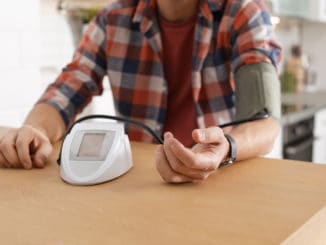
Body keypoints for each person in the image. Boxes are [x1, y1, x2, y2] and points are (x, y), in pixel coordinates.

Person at [0, 0, 282, 183]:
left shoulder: (244, 13)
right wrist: (34, 130)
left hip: (222, 177)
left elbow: (264, 121)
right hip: (143, 182)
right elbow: (68, 87)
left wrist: (226, 148)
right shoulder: (111, 20)